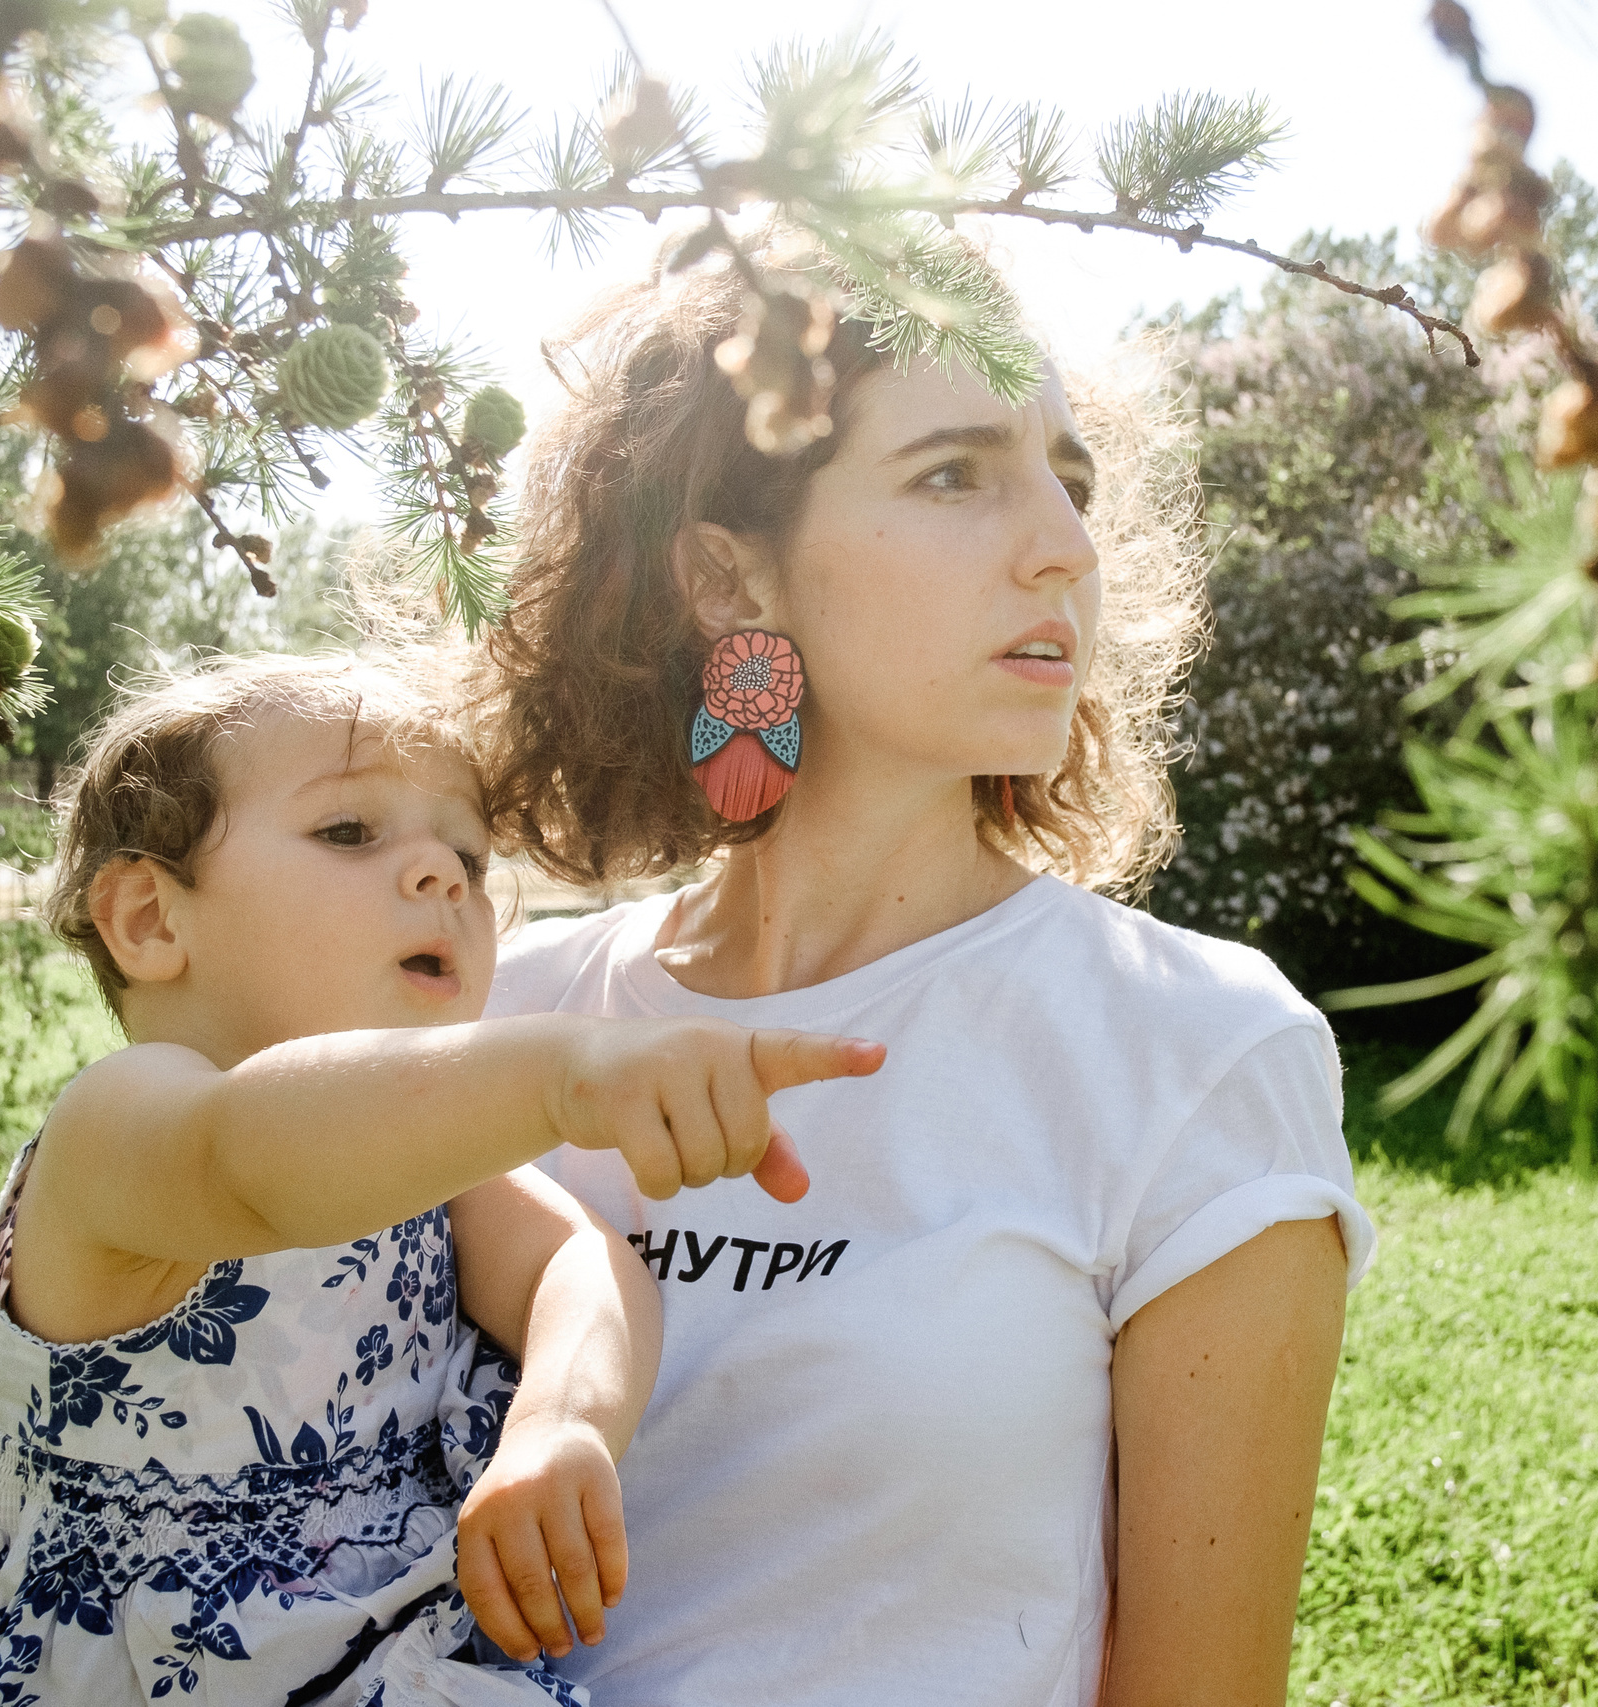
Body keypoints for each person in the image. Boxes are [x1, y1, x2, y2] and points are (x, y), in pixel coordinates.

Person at [477, 240, 1379, 1707]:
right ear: (728, 572)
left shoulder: (1195, 1051)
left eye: (1070, 480)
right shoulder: (507, 1017)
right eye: (957, 474)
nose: (1068, 549)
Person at [0, 652, 882, 1706]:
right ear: (149, 918)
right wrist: (558, 1075)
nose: (444, 877)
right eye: (350, 833)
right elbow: (257, 1162)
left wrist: (561, 1420)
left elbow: (578, 1262)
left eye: (467, 854)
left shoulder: (430, 1164)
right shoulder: (123, 1126)